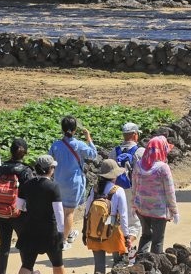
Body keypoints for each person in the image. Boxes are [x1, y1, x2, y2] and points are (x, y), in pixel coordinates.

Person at [49, 116, 97, 249]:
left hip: (58, 182)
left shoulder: (56, 145)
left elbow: (49, 160)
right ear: (75, 130)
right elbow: (93, 154)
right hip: (74, 183)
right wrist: (88, 137)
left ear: (62, 129)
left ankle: (65, 233)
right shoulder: (79, 145)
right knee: (69, 212)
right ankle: (63, 241)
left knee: (60, 211)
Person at [16, 155, 65, 274]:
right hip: (50, 230)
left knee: (27, 265)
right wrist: (61, 232)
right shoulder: (53, 187)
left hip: (30, 228)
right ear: (50, 169)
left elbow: (19, 206)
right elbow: (58, 211)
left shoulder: (27, 184)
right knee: (57, 264)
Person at [132, 136, 178, 254]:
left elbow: (134, 187)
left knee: (146, 236)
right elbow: (170, 192)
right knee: (158, 240)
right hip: (158, 211)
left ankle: (140, 265)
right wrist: (175, 211)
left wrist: (134, 205)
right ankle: (154, 267)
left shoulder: (138, 165)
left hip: (142, 209)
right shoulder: (163, 168)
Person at [83, 160, 130, 274]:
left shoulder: (94, 189)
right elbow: (123, 215)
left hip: (95, 229)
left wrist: (85, 232)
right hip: (112, 228)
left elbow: (86, 212)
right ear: (114, 175)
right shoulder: (118, 191)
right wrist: (126, 236)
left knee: (99, 267)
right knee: (118, 264)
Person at [0, 138, 34, 274]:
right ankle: (27, 271)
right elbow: (31, 193)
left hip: (1, 212)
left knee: (4, 247)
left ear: (10, 151)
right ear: (25, 153)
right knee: (24, 245)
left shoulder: (1, 169)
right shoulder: (25, 171)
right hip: (19, 213)